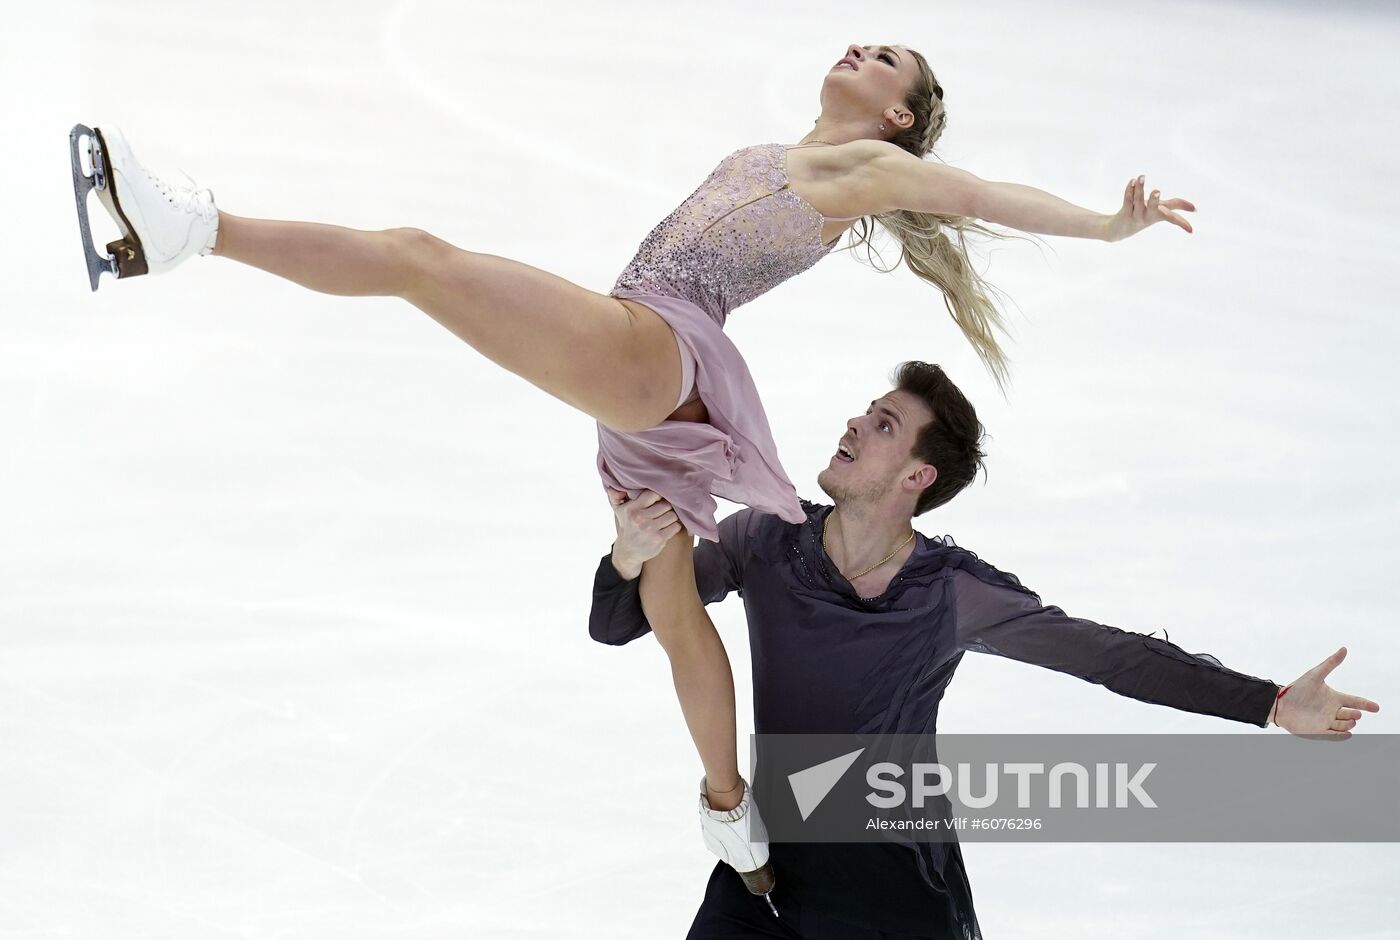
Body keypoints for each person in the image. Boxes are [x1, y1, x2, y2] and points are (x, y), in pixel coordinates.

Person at [71, 41, 1197, 890]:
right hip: (656, 363)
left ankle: (191, 232)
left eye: (887, 59)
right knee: (670, 599)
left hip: (658, 341)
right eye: (863, 37)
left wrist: (1104, 225)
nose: (861, 46)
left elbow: (978, 195)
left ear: (897, 116)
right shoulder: (795, 152)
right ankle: (726, 805)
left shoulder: (863, 165)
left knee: (420, 260)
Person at [589, 360, 1382, 938]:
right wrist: (627, 557)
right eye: (867, 411)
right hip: (763, 886)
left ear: (917, 477)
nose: (856, 424)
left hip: (897, 903)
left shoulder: (952, 591)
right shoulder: (764, 540)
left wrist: (1270, 702)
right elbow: (626, 622)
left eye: (884, 425)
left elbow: (1107, 656)